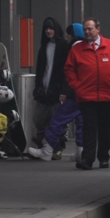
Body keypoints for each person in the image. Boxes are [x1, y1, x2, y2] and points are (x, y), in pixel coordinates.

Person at [64, 18, 110, 170]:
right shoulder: (77, 49)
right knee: (89, 128)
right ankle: (87, 159)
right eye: (85, 29)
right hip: (86, 96)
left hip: (107, 95)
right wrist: (77, 86)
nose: (87, 32)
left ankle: (104, 158)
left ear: (98, 28)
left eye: (90, 29)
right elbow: (69, 70)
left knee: (104, 128)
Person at [27, 24, 85, 163]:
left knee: (57, 120)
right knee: (81, 123)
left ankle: (47, 150)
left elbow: (70, 73)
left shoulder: (74, 49)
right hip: (87, 94)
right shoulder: (87, 48)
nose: (67, 37)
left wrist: (66, 92)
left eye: (68, 34)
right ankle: (81, 151)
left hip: (74, 94)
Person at [31, 17, 70, 159]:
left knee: (55, 120)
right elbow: (41, 68)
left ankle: (56, 148)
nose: (48, 31)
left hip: (57, 89)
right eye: (46, 28)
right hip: (44, 89)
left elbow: (66, 69)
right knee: (39, 119)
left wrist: (64, 89)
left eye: (51, 28)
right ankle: (43, 145)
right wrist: (38, 87)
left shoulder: (63, 46)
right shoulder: (44, 47)